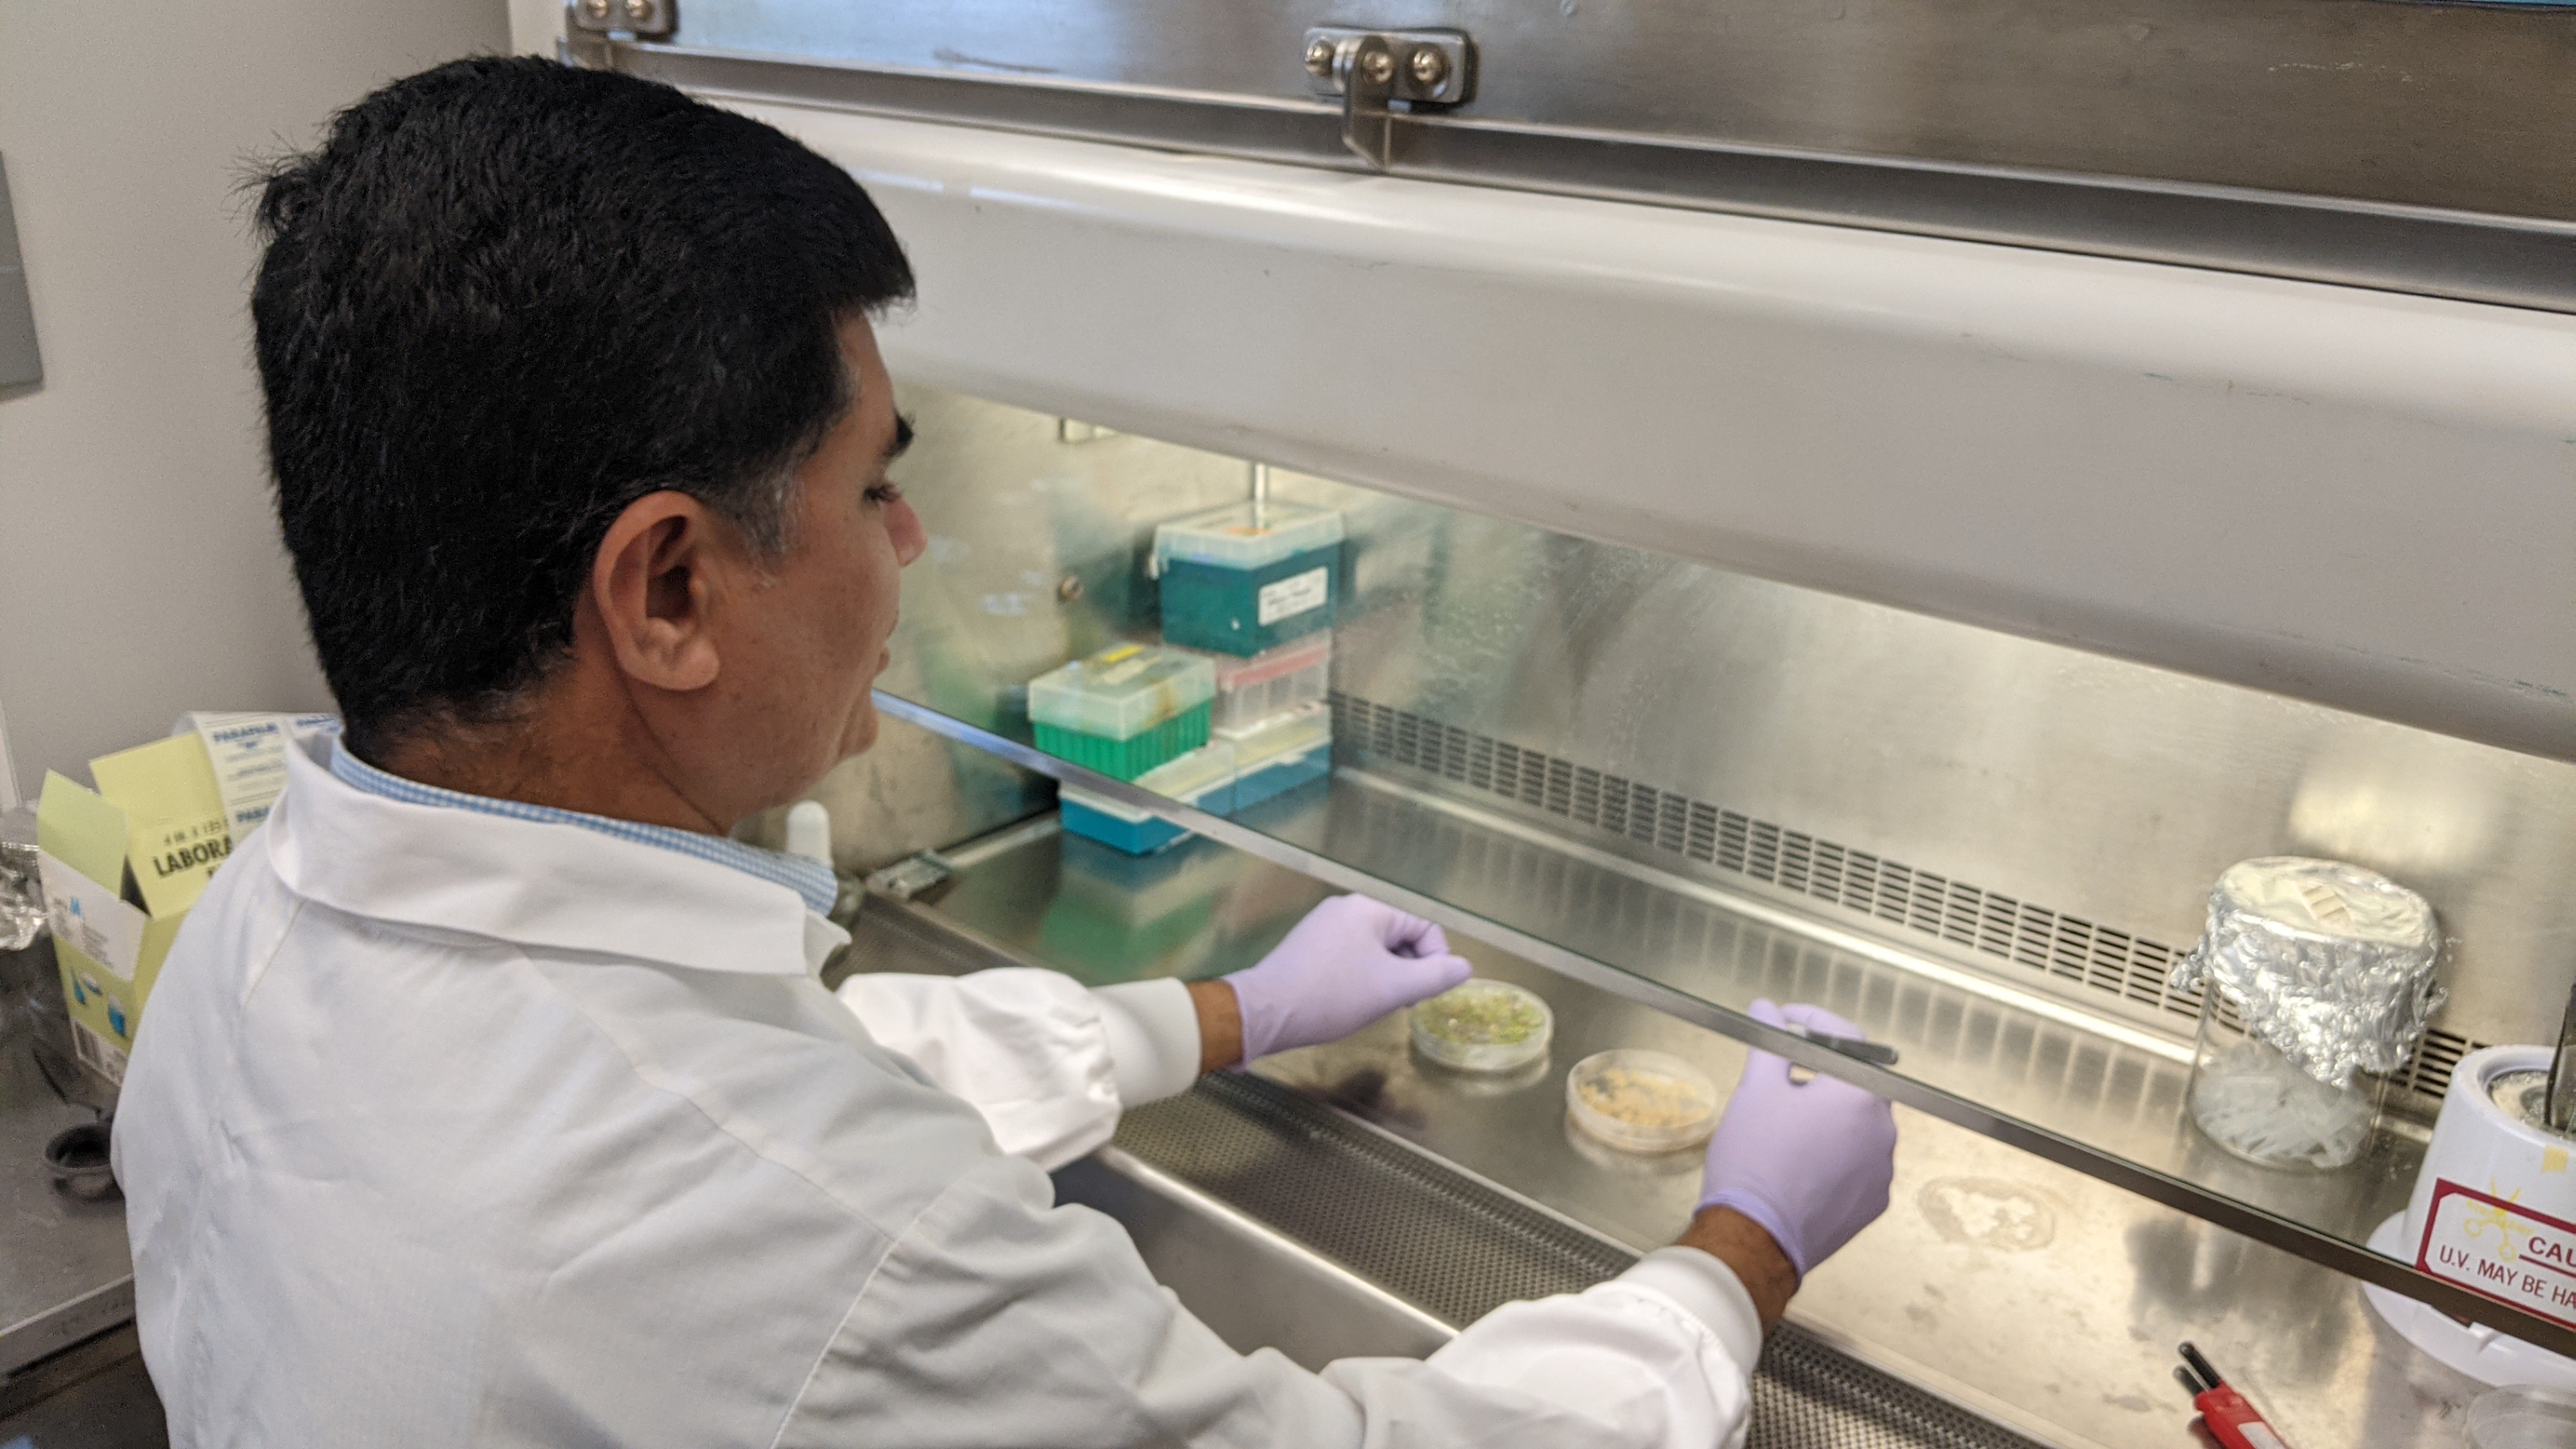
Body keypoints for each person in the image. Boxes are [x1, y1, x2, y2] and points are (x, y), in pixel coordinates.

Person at [111, 57, 1898, 1448]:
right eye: (872, 484)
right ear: (666, 589)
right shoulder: (834, 1265)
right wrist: (1738, 1257)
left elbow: (786, 1069)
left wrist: (1225, 1016)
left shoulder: (254, 945)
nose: (904, 549)